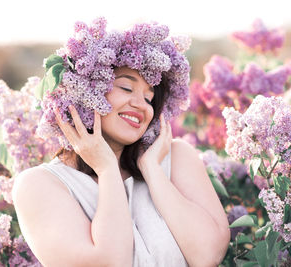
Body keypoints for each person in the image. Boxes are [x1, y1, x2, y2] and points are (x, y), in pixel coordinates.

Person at [12, 18, 230, 267]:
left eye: (150, 99)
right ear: (85, 89)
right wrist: (106, 169)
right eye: (126, 88)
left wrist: (152, 170)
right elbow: (109, 262)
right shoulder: (40, 184)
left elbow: (208, 256)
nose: (141, 105)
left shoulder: (176, 158)